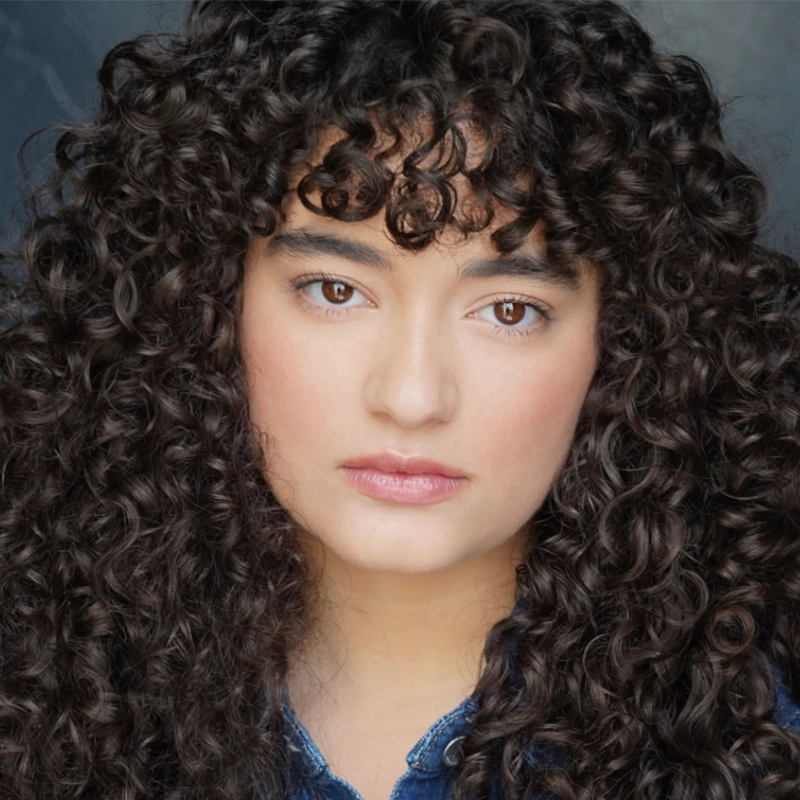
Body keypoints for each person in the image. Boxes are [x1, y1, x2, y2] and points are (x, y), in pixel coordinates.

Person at [1, 1, 799, 798]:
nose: (413, 397)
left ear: (625, 343)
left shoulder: (763, 752)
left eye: (509, 310)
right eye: (336, 290)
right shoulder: (43, 697)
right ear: (207, 305)